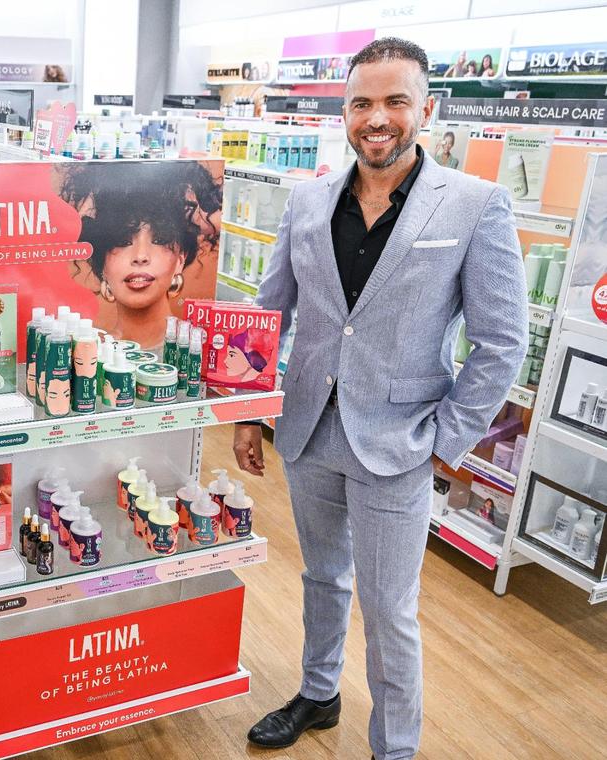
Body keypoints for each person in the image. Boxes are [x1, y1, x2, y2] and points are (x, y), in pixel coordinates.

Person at [236, 38, 526, 760]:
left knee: (391, 610)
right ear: (345, 112)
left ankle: (394, 748)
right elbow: (268, 318)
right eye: (363, 102)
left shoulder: (475, 205)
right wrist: (248, 410)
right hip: (308, 431)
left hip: (398, 442)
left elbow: (502, 344)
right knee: (321, 577)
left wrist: (443, 439)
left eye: (396, 101)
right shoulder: (306, 201)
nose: (378, 117)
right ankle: (318, 690)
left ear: (426, 109)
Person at [57, 161, 221, 350]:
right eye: (123, 241)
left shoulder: (195, 351)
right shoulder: (89, 354)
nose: (141, 256)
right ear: (102, 263)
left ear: (181, 258)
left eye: (159, 239)